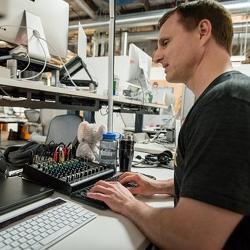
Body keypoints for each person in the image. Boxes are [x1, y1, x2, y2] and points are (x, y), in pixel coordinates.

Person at [87, 0, 250, 248]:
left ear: (202, 32)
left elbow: (192, 239)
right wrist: (160, 186)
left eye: (165, 42)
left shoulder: (227, 102)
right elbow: (223, 185)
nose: (156, 56)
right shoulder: (222, 96)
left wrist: (128, 204)